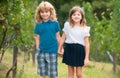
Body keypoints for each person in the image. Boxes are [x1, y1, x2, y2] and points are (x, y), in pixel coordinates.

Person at [58, 6, 90, 78]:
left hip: (79, 50)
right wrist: (59, 48)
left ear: (82, 16)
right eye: (74, 14)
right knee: (70, 74)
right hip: (69, 49)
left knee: (79, 74)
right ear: (71, 16)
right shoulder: (67, 25)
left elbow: (87, 44)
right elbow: (63, 38)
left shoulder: (84, 29)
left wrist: (86, 58)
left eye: (78, 14)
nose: (76, 16)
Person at [34, 1, 60, 78]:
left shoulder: (55, 23)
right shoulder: (38, 24)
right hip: (41, 51)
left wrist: (60, 48)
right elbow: (37, 38)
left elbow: (58, 37)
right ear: (39, 13)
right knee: (42, 73)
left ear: (50, 12)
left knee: (52, 74)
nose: (44, 14)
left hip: (52, 51)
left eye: (46, 12)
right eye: (42, 12)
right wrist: (38, 49)